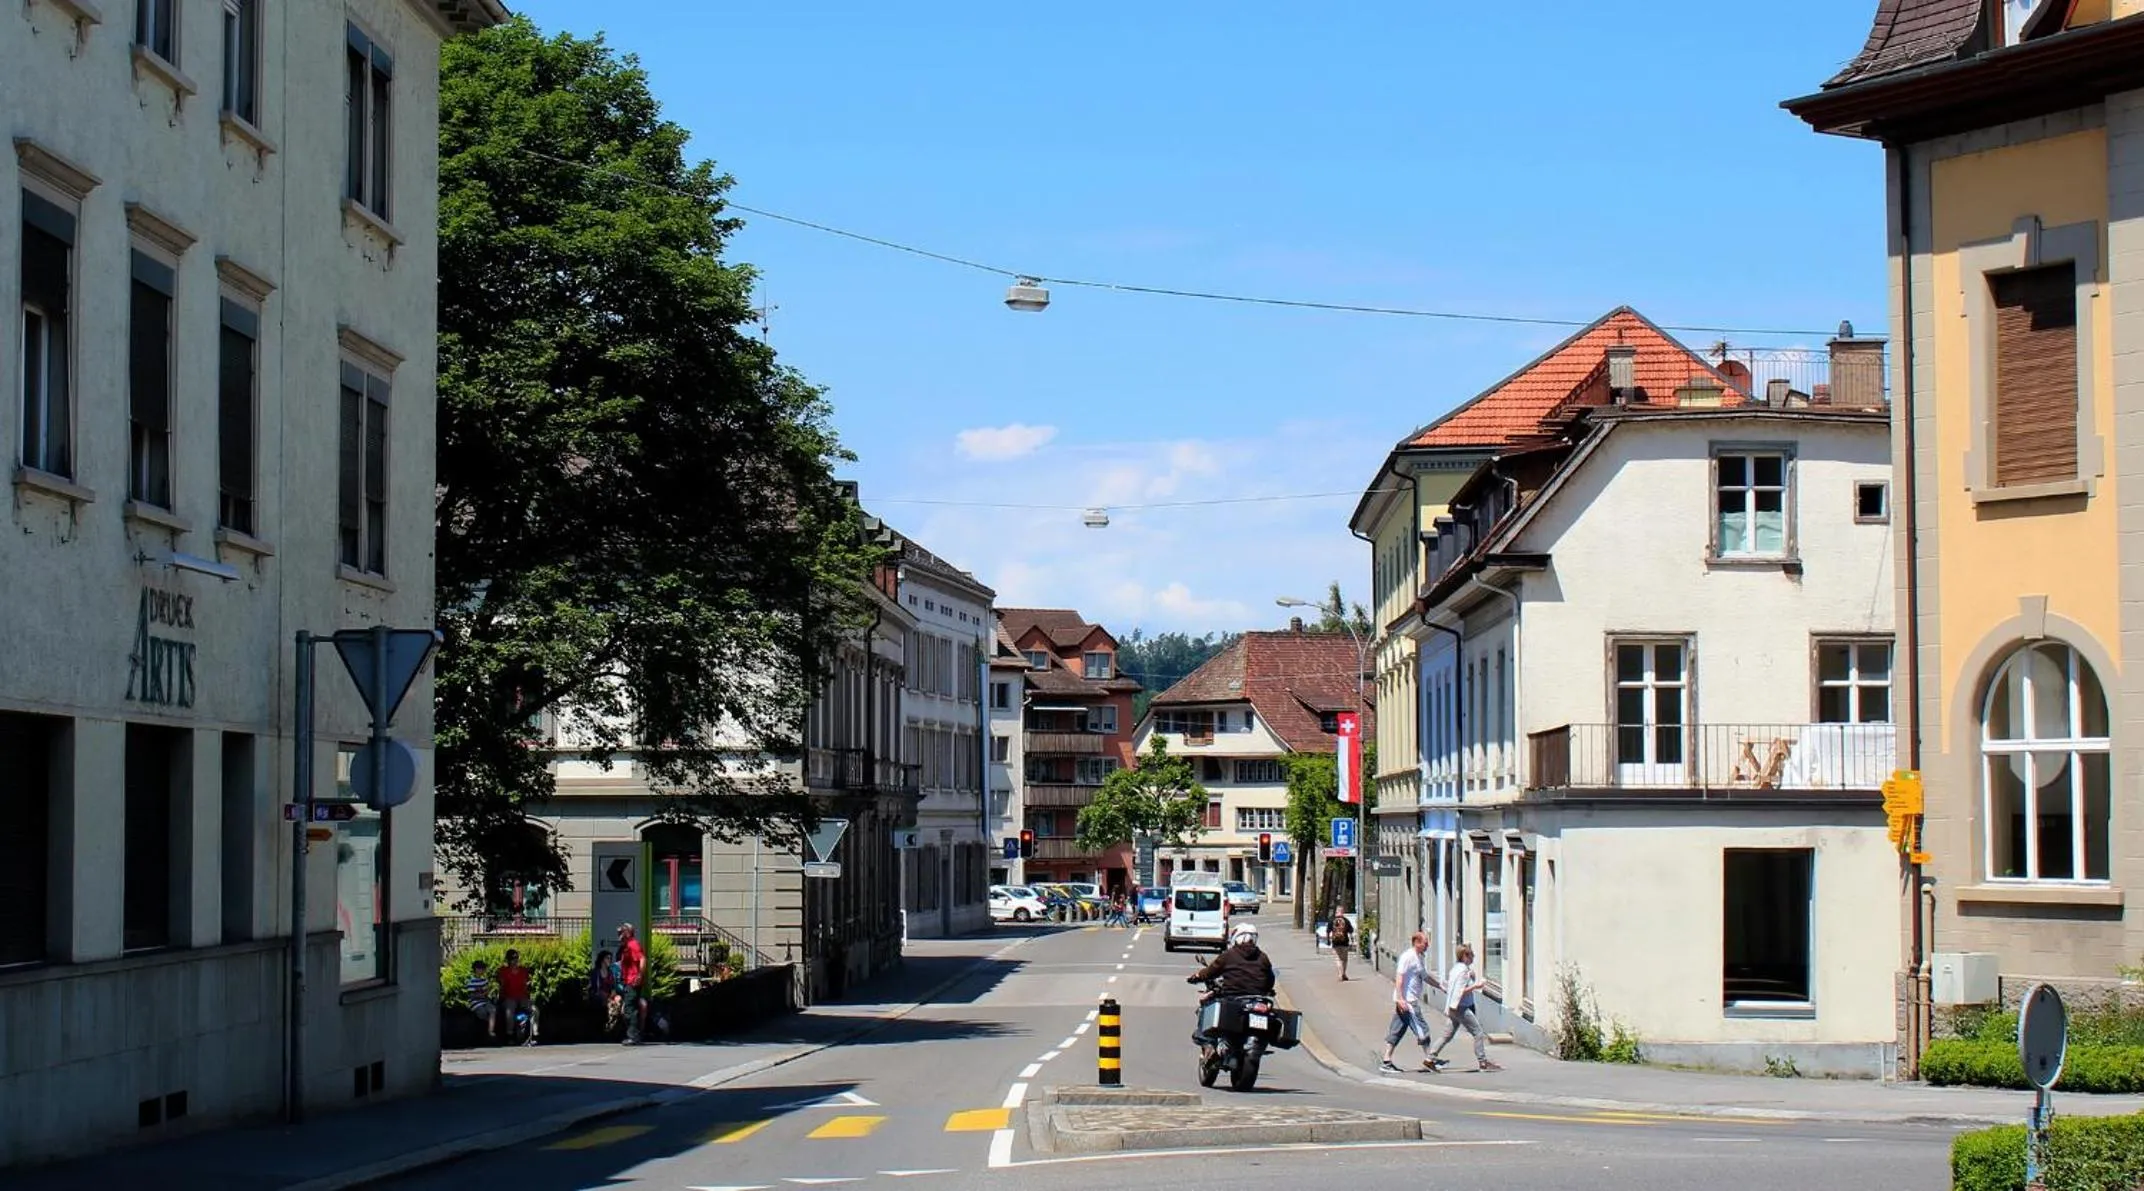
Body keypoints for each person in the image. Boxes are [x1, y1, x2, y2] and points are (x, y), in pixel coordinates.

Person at [1186, 922, 1276, 1045]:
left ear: (1236, 938)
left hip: (1233, 998)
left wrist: (1197, 976)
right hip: (1258, 1000)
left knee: (1208, 1005)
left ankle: (1205, 1038)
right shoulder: (1263, 957)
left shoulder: (1228, 955)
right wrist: (1267, 989)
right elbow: (1270, 978)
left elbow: (1210, 971)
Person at [1427, 942, 1501, 1072]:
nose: (1474, 956)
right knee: (1478, 1033)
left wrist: (1471, 977)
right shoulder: (1463, 972)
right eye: (1471, 954)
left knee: (1447, 1035)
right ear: (1465, 956)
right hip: (1461, 1007)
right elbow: (1461, 991)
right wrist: (1476, 986)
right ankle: (1483, 1062)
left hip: (1452, 1007)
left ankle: (1430, 1058)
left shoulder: (1456, 969)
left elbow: (1452, 986)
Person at [1379, 932, 1440, 1072]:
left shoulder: (1419, 958)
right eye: (1425, 943)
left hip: (1407, 1001)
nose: (1427, 946)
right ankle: (1429, 1059)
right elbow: (1399, 978)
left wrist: (1440, 986)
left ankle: (1386, 1061)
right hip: (1408, 1002)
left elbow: (1424, 976)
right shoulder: (1408, 957)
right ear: (1416, 943)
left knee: (1397, 1030)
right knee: (1422, 1030)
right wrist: (1400, 999)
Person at [617, 923, 650, 1044]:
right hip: (628, 981)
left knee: (630, 1009)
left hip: (633, 981)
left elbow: (642, 958)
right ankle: (634, 1035)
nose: (618, 936)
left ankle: (633, 1036)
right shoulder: (626, 946)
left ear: (627, 933)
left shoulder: (633, 944)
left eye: (621, 933)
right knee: (630, 1008)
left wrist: (640, 975)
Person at [497, 948, 535, 1044]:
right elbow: (502, 985)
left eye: (516, 958)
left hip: (522, 997)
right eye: (512, 959)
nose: (515, 961)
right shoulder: (503, 971)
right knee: (510, 1010)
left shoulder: (523, 970)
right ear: (508, 960)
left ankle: (533, 1034)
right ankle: (510, 1036)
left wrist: (529, 986)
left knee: (534, 1010)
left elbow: (527, 984)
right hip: (509, 997)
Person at [463, 959, 495, 1039]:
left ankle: (491, 1031)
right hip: (475, 1003)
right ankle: (486, 1027)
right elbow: (471, 995)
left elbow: (486, 992)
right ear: (476, 969)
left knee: (493, 1010)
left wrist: (487, 991)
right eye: (481, 969)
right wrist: (482, 994)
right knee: (482, 1013)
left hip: (484, 1001)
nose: (483, 971)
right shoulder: (471, 981)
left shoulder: (484, 981)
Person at [1327, 912, 1354, 981]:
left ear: (1336, 913)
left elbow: (1328, 931)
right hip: (1345, 942)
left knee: (1338, 959)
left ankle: (1340, 974)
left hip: (1335, 942)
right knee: (1344, 959)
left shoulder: (1332, 920)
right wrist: (1352, 940)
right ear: (1342, 913)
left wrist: (1328, 940)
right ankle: (1344, 973)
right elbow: (1351, 931)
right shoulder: (1346, 920)